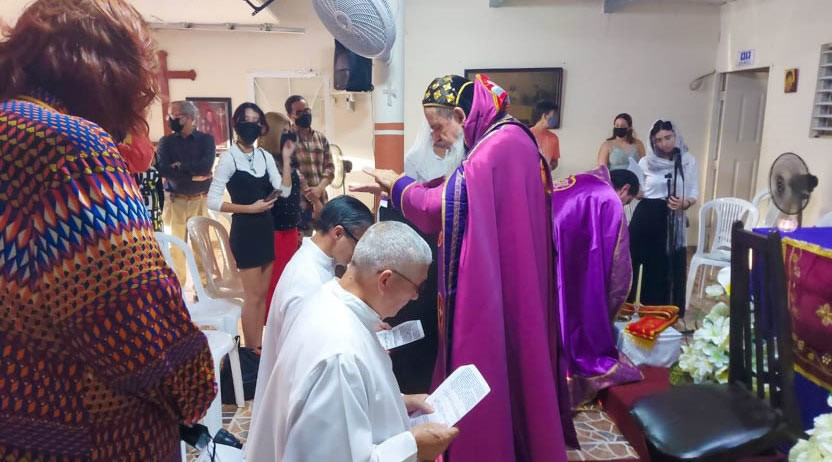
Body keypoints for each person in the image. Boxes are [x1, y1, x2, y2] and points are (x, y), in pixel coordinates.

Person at [0, 0, 216, 459]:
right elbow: (137, 328)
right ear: (111, 74)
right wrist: (195, 382)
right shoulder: (69, 148)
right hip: (82, 438)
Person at [353, 74, 573, 461]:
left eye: (437, 126)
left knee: (487, 355)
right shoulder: (506, 138)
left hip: (495, 283)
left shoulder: (495, 146)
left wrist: (398, 185)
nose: (435, 137)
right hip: (513, 273)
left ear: (459, 115)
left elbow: (440, 204)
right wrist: (396, 188)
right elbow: (454, 187)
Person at [246, 221, 458, 462]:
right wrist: (414, 447)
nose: (415, 297)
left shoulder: (327, 298)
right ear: (385, 280)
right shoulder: (340, 356)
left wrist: (399, 402)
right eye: (417, 287)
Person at [251, 194, 374, 433]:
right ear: (338, 233)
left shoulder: (318, 262)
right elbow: (302, 357)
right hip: (296, 403)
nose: (358, 254)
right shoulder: (306, 281)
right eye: (359, 243)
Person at [551, 166, 644, 409]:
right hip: (562, 241)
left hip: (543, 235)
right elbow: (618, 265)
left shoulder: (585, 178)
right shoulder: (608, 196)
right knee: (577, 298)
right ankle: (570, 371)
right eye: (627, 201)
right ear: (624, 189)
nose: (622, 205)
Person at [207, 102, 293, 350]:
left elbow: (285, 191)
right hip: (245, 231)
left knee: (262, 296)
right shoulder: (228, 158)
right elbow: (212, 201)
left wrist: (287, 160)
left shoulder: (264, 156)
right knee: (252, 296)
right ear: (236, 124)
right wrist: (249, 208)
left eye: (256, 121)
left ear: (262, 127)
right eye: (246, 120)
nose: (252, 126)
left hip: (265, 228)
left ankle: (258, 347)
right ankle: (250, 349)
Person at [629, 119, 699, 315]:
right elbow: (639, 191)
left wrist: (686, 202)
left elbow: (694, 191)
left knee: (664, 266)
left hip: (672, 217)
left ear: (676, 136)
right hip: (646, 215)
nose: (664, 143)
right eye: (658, 140)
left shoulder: (687, 160)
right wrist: (636, 191)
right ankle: (627, 310)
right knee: (635, 261)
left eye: (668, 137)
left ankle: (661, 312)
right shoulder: (646, 162)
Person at [156, 100, 216, 286]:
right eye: (169, 115)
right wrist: (193, 176)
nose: (170, 119)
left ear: (189, 117)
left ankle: (204, 287)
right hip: (176, 201)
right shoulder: (166, 142)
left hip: (200, 200)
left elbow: (206, 166)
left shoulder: (206, 140)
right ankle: (178, 288)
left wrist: (180, 166)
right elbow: (164, 171)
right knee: (175, 247)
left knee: (202, 246)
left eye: (175, 115)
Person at [259, 113, 303, 321]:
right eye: (285, 131)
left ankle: (284, 322)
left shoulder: (287, 161)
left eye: (290, 131)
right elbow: (281, 194)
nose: (289, 135)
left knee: (287, 281)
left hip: (290, 228)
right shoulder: (263, 162)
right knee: (274, 283)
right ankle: (271, 325)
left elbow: (294, 196)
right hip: (274, 229)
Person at [285, 95, 335, 232]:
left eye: (307, 110)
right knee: (301, 242)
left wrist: (319, 189)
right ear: (290, 116)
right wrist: (313, 199)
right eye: (299, 112)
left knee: (323, 241)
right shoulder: (287, 139)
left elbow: (330, 168)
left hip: (322, 202)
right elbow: (292, 172)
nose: (305, 114)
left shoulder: (321, 138)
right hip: (299, 205)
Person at [529, 99, 561, 170]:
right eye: (554, 115)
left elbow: (554, 161)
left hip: (545, 176)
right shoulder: (526, 134)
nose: (556, 118)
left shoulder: (554, 138)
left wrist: (550, 167)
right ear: (544, 116)